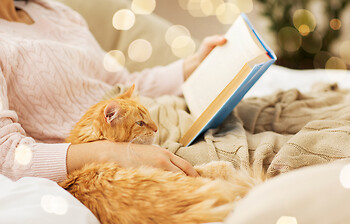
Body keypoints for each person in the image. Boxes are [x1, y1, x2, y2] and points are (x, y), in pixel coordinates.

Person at [0, 0, 227, 182]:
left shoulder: (56, 12)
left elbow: (120, 85)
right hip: (118, 155)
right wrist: (115, 153)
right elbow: (7, 155)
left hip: (157, 121)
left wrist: (193, 65)